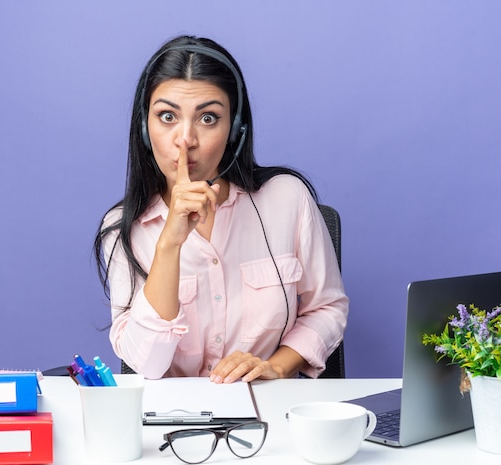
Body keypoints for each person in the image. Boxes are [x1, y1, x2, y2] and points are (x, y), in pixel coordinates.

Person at [94, 35, 348, 383]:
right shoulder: (124, 227)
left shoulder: (287, 199)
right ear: (144, 126)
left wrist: (277, 365)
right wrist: (169, 243)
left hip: (267, 409)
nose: (186, 139)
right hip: (172, 423)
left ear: (235, 130)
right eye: (167, 116)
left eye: (208, 118)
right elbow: (147, 364)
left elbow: (328, 308)